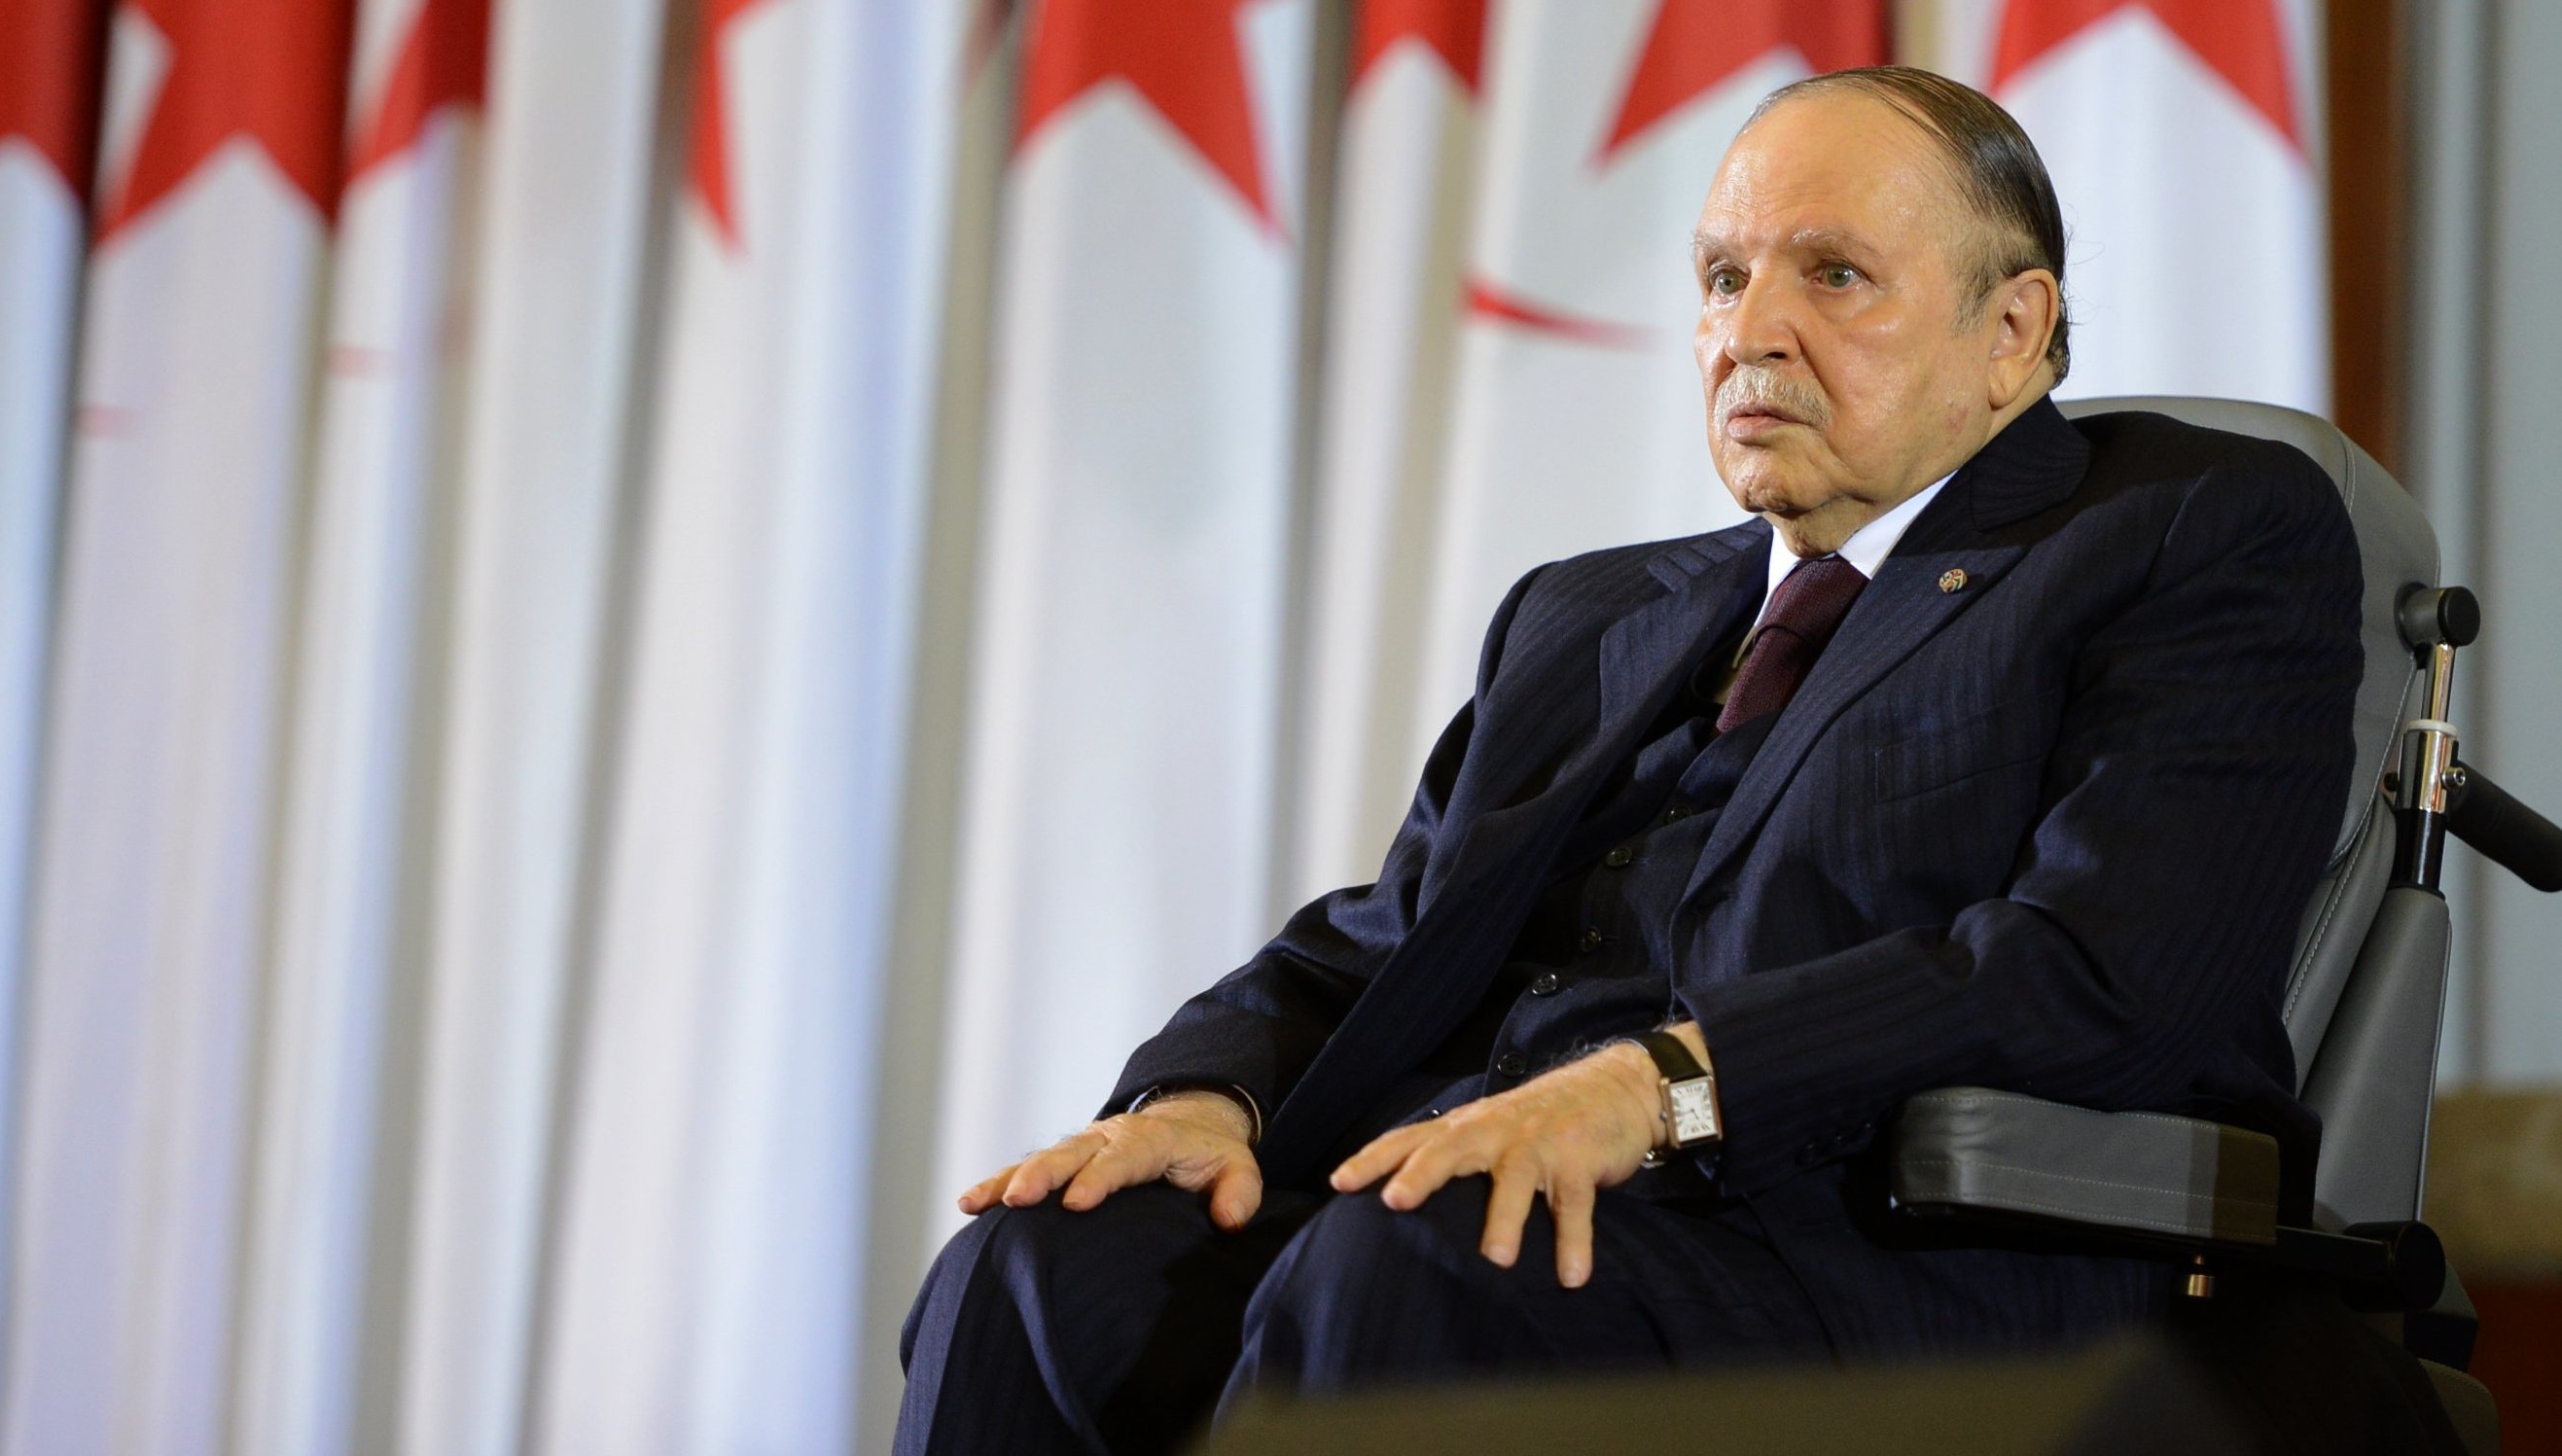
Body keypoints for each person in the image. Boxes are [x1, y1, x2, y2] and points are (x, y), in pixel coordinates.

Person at [897, 66, 2373, 1454]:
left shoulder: (2189, 529)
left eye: (1832, 275)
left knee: (1409, 1261)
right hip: (1491, 1205)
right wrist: (1199, 1099)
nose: (1749, 332)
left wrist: (1662, 1084)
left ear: (2009, 331)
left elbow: (2106, 972)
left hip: (1880, 1243)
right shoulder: (1591, 610)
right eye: (1723, 278)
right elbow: (1393, 935)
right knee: (1045, 1258)